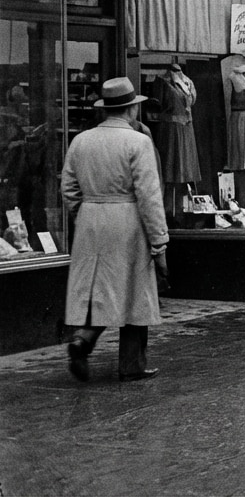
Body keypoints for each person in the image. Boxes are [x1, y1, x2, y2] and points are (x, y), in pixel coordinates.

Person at [62, 78, 169, 382]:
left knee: (98, 289)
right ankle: (131, 364)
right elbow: (149, 196)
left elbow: (68, 188)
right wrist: (160, 240)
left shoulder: (81, 140)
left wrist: (84, 214)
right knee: (134, 292)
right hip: (128, 220)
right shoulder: (139, 142)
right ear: (132, 109)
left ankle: (83, 339)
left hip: (90, 219)